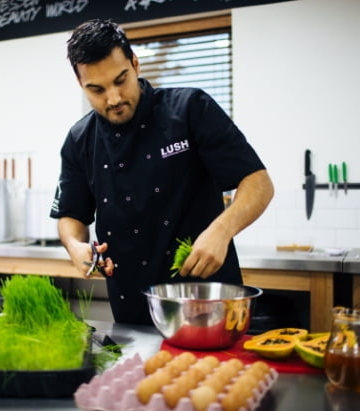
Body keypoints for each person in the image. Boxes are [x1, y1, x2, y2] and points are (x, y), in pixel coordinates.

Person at [50, 19, 274, 325]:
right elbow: (71, 216)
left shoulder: (190, 109)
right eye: (97, 89)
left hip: (206, 300)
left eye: (120, 80)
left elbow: (258, 183)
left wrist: (222, 231)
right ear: (81, 85)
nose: (113, 98)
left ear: (135, 64)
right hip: (131, 308)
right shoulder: (79, 139)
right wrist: (76, 247)